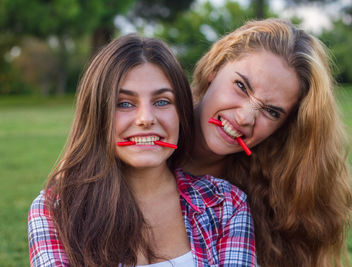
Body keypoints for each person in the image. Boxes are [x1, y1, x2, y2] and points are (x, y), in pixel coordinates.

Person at [28, 35, 256, 266]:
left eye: (162, 102)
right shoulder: (54, 211)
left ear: (181, 112)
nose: (146, 119)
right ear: (97, 114)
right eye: (124, 103)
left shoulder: (225, 203)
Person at [183, 18, 352, 267]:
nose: (244, 118)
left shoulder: (261, 202)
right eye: (241, 86)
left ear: (283, 127)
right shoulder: (139, 135)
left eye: (272, 112)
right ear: (214, 68)